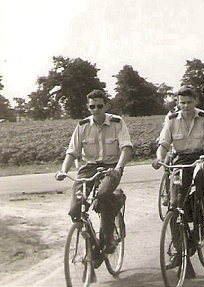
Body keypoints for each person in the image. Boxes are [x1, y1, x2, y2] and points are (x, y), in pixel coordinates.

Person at [55, 89, 133, 254]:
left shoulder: (117, 123)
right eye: (92, 106)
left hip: (111, 167)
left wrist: (118, 168)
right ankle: (93, 248)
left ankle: (108, 237)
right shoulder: (83, 126)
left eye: (99, 106)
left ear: (106, 105)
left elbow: (126, 148)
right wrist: (63, 170)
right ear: (88, 107)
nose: (96, 109)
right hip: (89, 167)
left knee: (103, 194)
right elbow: (72, 151)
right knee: (76, 210)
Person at [153, 86, 204, 232]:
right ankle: (178, 245)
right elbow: (164, 143)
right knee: (176, 200)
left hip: (202, 157)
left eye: (189, 102)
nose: (185, 106)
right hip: (181, 159)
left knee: (201, 177)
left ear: (195, 101)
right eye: (182, 103)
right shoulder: (171, 120)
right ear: (177, 103)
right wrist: (159, 157)